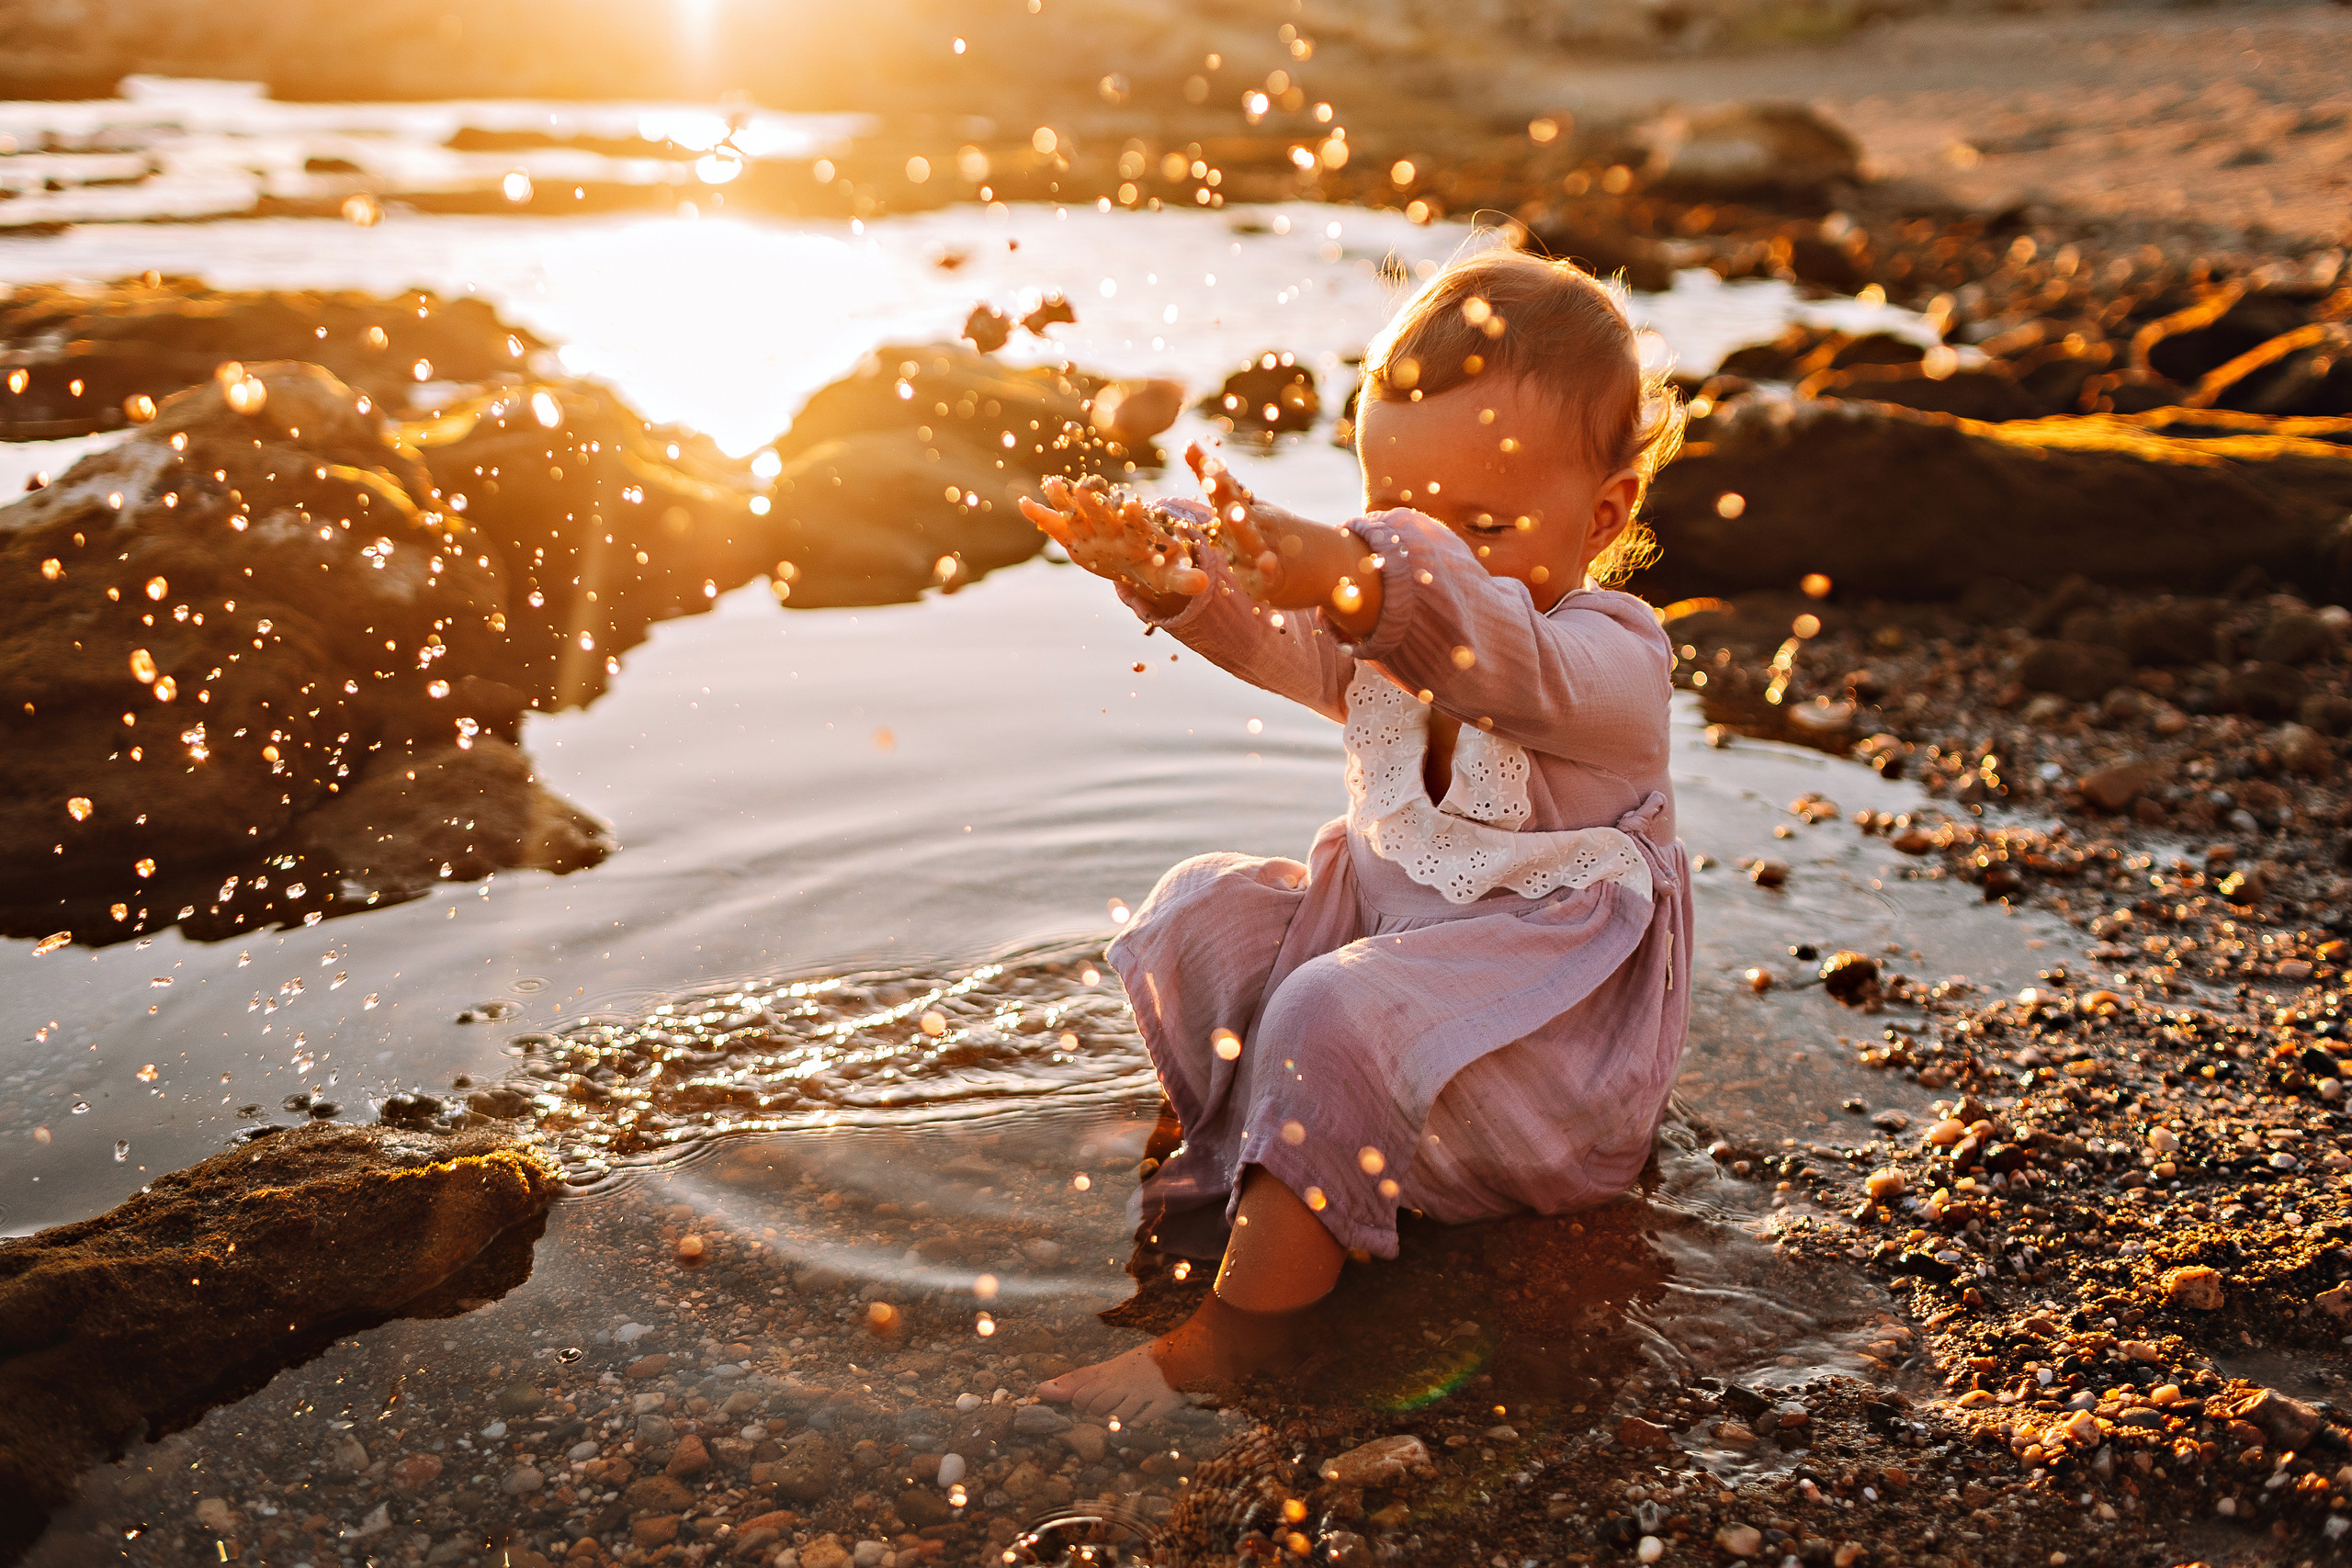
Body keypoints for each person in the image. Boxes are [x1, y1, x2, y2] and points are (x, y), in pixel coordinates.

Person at [1015, 245, 1692, 1426]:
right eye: (1396, 515)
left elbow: (1475, 639)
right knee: (1201, 913)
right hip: (1403, 1049)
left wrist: (1366, 574)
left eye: (1480, 522)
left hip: (1539, 1093)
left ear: (1602, 515)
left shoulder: (1606, 668)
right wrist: (1174, 567)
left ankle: (1238, 1338)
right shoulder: (1381, 621)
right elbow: (1280, 634)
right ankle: (1254, 1148)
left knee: (1332, 1009)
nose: (1427, 551)